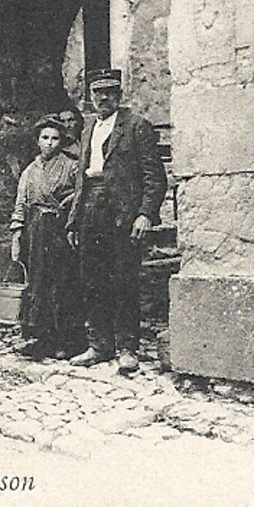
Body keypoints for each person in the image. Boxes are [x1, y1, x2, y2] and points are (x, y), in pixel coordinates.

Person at [67, 69, 167, 374]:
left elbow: (154, 177)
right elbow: (81, 181)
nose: (104, 98)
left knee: (124, 280)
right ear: (91, 96)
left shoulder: (137, 127)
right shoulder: (87, 131)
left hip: (123, 213)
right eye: (98, 92)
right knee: (92, 280)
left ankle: (127, 348)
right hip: (91, 209)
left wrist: (145, 214)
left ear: (120, 94)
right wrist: (74, 220)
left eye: (110, 91)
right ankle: (99, 344)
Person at [9, 116, 84, 359]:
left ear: (62, 142)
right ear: (37, 140)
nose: (50, 143)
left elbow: (83, 192)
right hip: (36, 230)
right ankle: (39, 338)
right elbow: (21, 203)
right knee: (38, 282)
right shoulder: (30, 171)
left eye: (55, 138)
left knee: (62, 282)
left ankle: (65, 340)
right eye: (45, 138)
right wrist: (16, 236)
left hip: (61, 229)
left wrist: (71, 200)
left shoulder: (72, 165)